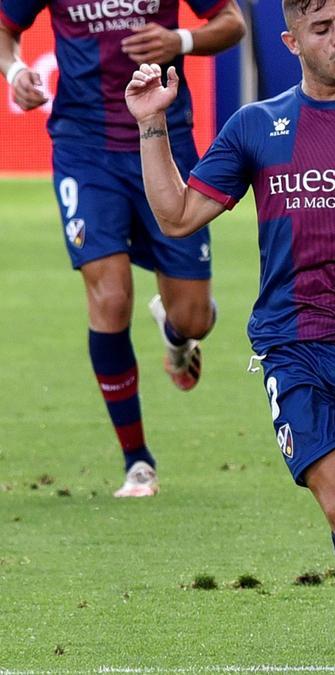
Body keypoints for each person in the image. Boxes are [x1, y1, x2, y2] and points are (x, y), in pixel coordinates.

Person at [124, 1, 335, 672]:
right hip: (294, 345)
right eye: (323, 28)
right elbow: (176, 215)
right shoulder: (258, 125)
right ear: (291, 40)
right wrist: (153, 124)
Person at [0, 0, 245, 497]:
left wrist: (182, 42)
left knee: (196, 318)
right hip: (84, 147)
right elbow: (4, 30)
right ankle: (138, 462)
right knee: (110, 298)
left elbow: (233, 23)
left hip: (163, 140)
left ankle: (177, 333)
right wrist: (16, 70)